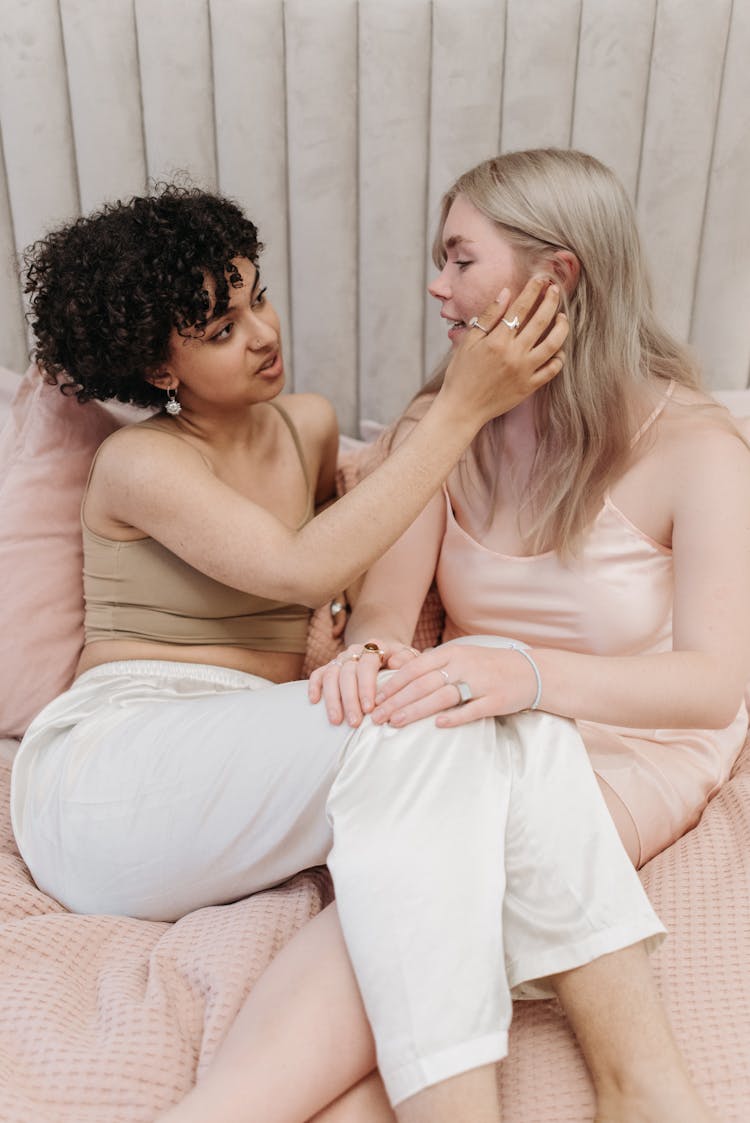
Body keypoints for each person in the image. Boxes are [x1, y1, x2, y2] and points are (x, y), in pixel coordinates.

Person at [141, 151, 750, 1123]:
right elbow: (387, 619)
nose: (436, 284)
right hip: (471, 715)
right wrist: (375, 652)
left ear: (557, 276)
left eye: (461, 259)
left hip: (630, 732)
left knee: (416, 875)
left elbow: (713, 686)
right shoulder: (443, 424)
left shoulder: (697, 448)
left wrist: (519, 672)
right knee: (418, 872)